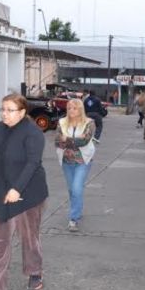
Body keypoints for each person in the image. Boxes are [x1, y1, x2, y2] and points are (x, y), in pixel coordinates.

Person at [0, 94, 48, 290]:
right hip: (0, 191)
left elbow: (33, 163)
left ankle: (34, 271)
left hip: (27, 194)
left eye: (10, 110)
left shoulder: (33, 133)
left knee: (29, 238)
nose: (4, 114)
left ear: (22, 112)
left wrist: (17, 189)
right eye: (2, 109)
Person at [55, 98, 95, 232]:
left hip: (83, 161)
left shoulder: (89, 123)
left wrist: (67, 139)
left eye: (75, 108)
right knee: (72, 190)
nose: (71, 110)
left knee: (77, 188)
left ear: (80, 109)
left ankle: (74, 219)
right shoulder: (62, 122)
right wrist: (73, 141)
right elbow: (57, 141)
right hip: (66, 161)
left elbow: (84, 141)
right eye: (69, 108)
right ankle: (77, 208)